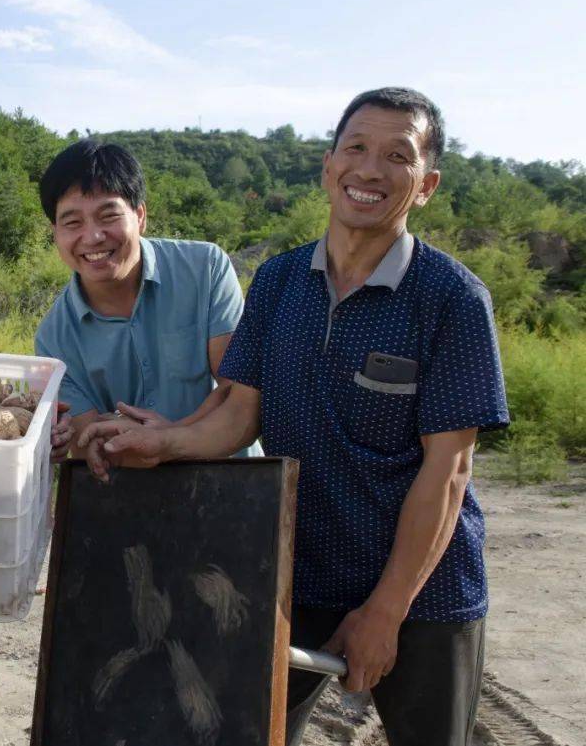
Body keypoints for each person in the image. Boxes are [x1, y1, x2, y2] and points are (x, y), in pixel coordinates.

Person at [79, 87, 509, 746]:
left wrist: (385, 612)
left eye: (398, 155)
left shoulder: (451, 299)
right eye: (356, 147)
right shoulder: (279, 282)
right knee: (250, 732)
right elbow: (238, 414)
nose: (370, 170)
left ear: (425, 185)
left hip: (423, 595)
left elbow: (447, 470)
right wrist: (161, 439)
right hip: (297, 571)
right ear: (327, 163)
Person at [34, 139, 261, 458]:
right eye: (73, 223)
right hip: (135, 493)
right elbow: (89, 442)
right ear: (55, 233)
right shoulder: (53, 338)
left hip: (230, 473)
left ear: (140, 216)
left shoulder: (205, 269)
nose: (93, 236)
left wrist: (169, 436)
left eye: (107, 215)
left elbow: (237, 391)